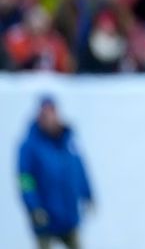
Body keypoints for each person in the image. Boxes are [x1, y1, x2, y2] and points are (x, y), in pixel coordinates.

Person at [18, 96, 93, 249]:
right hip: (45, 217)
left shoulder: (68, 142)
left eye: (52, 112)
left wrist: (88, 195)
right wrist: (34, 207)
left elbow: (79, 171)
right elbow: (25, 179)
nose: (49, 118)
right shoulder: (30, 147)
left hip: (68, 216)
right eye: (45, 113)